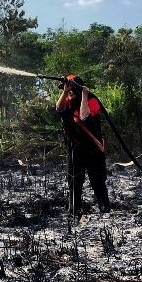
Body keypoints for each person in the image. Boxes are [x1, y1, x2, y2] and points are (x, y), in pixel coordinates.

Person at [55, 75, 110, 214]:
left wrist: (84, 95)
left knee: (97, 180)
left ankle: (104, 208)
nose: (70, 91)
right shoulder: (66, 101)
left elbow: (84, 116)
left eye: (72, 88)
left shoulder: (92, 101)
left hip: (93, 150)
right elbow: (59, 109)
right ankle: (75, 208)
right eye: (67, 89)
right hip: (75, 148)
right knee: (74, 181)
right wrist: (64, 91)